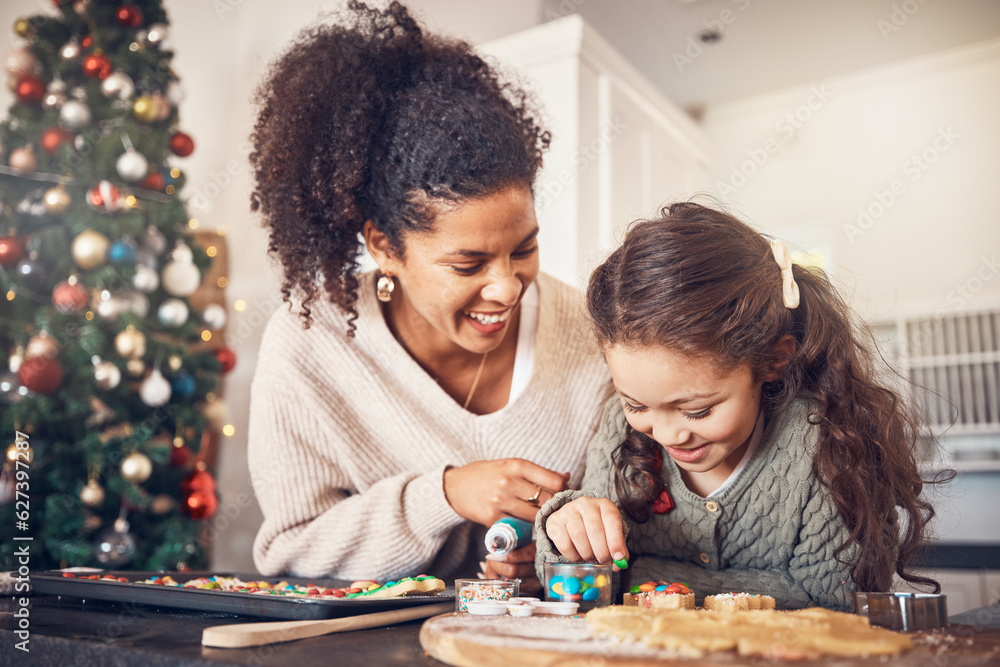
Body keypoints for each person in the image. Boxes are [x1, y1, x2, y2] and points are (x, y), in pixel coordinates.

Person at [245, 1, 612, 590]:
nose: (507, 287)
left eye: (524, 249)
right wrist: (443, 495)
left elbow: (630, 522)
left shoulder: (587, 335)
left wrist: (548, 556)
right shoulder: (311, 345)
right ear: (385, 246)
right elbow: (292, 553)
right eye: (468, 263)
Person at [534, 202, 945, 611]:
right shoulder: (617, 429)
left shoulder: (827, 441)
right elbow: (585, 586)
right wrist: (565, 527)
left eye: (697, 411)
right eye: (635, 404)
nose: (667, 434)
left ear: (773, 361)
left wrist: (644, 578)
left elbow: (831, 602)